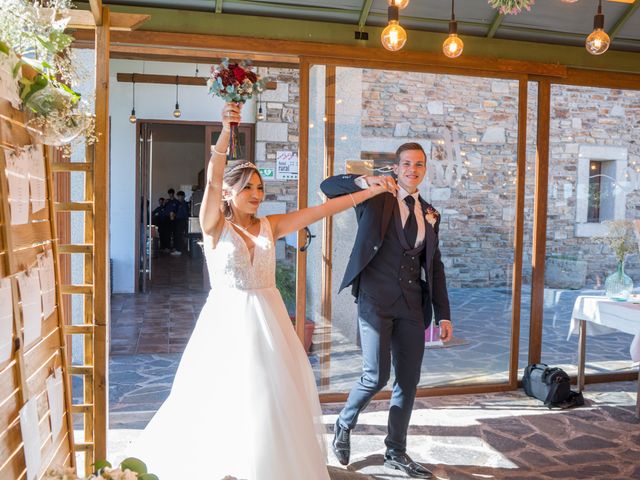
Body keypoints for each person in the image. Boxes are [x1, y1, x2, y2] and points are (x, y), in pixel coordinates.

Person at [129, 102, 395, 479]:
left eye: (260, 187)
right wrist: (225, 132)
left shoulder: (271, 224)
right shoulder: (214, 225)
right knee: (222, 398)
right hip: (227, 322)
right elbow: (212, 178)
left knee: (270, 401)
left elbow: (320, 211)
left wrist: (368, 194)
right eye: (248, 187)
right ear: (229, 192)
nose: (256, 193)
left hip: (270, 323)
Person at [320, 143, 453, 479]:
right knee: (376, 375)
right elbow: (328, 187)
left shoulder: (430, 213)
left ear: (425, 169)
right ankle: (344, 421)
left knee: (407, 381)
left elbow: (434, 268)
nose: (412, 169)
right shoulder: (376, 199)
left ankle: (396, 451)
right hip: (375, 300)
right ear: (396, 167)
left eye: (419, 164)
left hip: (411, 305)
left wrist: (444, 314)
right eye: (406, 163)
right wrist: (366, 182)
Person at [170, 190, 190, 256]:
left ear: (184, 197)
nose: (180, 198)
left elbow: (185, 214)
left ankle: (179, 250)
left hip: (183, 221)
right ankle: (177, 249)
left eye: (181, 196)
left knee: (180, 235)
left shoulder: (185, 204)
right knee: (177, 235)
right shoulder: (177, 203)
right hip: (178, 221)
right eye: (178, 197)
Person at [164, 188, 179, 253]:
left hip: (174, 218)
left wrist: (174, 214)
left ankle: (174, 247)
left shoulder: (176, 202)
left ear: (173, 194)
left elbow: (177, 210)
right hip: (167, 218)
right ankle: (167, 247)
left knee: (174, 233)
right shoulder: (167, 201)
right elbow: (164, 209)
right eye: (169, 194)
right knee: (167, 233)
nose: (170, 195)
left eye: (171, 194)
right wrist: (164, 203)